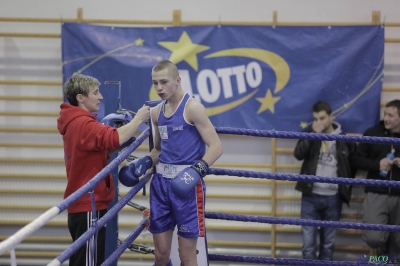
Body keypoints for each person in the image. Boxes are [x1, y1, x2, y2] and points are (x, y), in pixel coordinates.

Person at [119, 60, 223, 266]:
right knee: (161, 255)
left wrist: (196, 171)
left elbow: (216, 146)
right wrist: (147, 160)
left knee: (186, 256)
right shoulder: (157, 112)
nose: (159, 88)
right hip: (160, 186)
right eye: (155, 83)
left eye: (164, 82)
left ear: (177, 81)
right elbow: (159, 149)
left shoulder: (193, 108)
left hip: (187, 188)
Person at [57, 74, 150, 266]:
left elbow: (100, 150)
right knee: (89, 262)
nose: (100, 97)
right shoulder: (83, 124)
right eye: (95, 92)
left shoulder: (77, 122)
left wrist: (115, 145)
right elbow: (114, 138)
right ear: (81, 97)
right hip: (88, 203)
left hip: (85, 202)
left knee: (86, 260)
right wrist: (138, 119)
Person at [294, 101, 356, 260]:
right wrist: (314, 135)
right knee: (308, 246)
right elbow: (298, 154)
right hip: (310, 195)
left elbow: (353, 163)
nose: (318, 122)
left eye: (322, 118)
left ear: (331, 117)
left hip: (333, 197)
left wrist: (346, 187)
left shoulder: (343, 138)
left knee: (328, 245)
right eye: (315, 119)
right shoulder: (310, 133)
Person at [352, 99, 400, 256]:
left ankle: (390, 262)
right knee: (374, 238)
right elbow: (355, 159)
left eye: (391, 115)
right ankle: (381, 260)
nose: (386, 118)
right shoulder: (372, 133)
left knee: (398, 242)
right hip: (376, 192)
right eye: (385, 114)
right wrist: (377, 165)